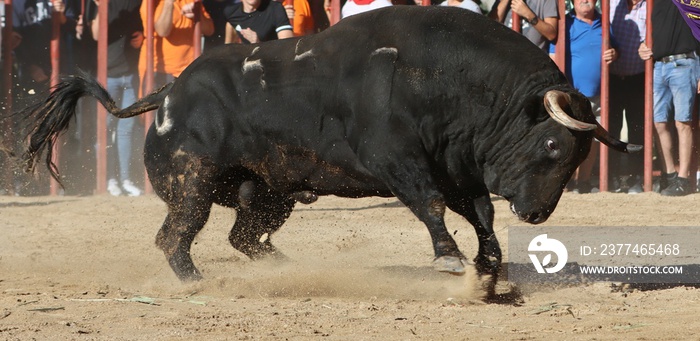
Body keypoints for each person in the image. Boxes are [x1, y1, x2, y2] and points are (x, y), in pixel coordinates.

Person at [549, 0, 617, 193]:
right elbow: (553, 56)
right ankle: (566, 181)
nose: (585, 0)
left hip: (597, 95)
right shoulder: (566, 23)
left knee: (593, 140)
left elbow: (615, 49)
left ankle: (584, 182)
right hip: (570, 97)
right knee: (567, 139)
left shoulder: (604, 23)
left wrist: (614, 53)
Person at [638, 0, 700, 196]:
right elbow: (650, 36)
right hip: (658, 65)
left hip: (685, 62)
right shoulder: (654, 3)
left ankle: (682, 179)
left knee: (683, 122)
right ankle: (671, 175)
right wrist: (643, 47)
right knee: (659, 123)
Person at [89, 0, 145, 196]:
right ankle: (108, 179)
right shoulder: (101, 3)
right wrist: (99, 8)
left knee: (126, 129)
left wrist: (142, 36)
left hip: (131, 73)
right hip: (108, 76)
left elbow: (143, 26)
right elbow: (96, 34)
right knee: (105, 129)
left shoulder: (135, 2)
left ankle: (125, 179)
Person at [607, 0, 647, 194]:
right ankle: (611, 177)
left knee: (637, 130)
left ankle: (636, 178)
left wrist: (650, 47)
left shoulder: (650, 6)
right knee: (611, 130)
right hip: (611, 78)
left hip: (639, 79)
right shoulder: (613, 4)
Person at [139, 0, 215, 90]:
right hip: (159, 71)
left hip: (187, 70)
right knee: (155, 104)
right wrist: (169, 3)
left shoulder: (192, 1)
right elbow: (162, 31)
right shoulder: (151, 2)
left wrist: (197, 16)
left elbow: (210, 30)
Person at [489, 0, 558, 53]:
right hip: (505, 59)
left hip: (533, 62)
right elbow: (490, 26)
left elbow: (551, 34)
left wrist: (528, 14)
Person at [224, 0, 294, 44]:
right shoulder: (231, 12)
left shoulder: (275, 8)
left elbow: (288, 47)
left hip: (272, 62)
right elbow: (227, 48)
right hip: (247, 62)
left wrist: (258, 43)